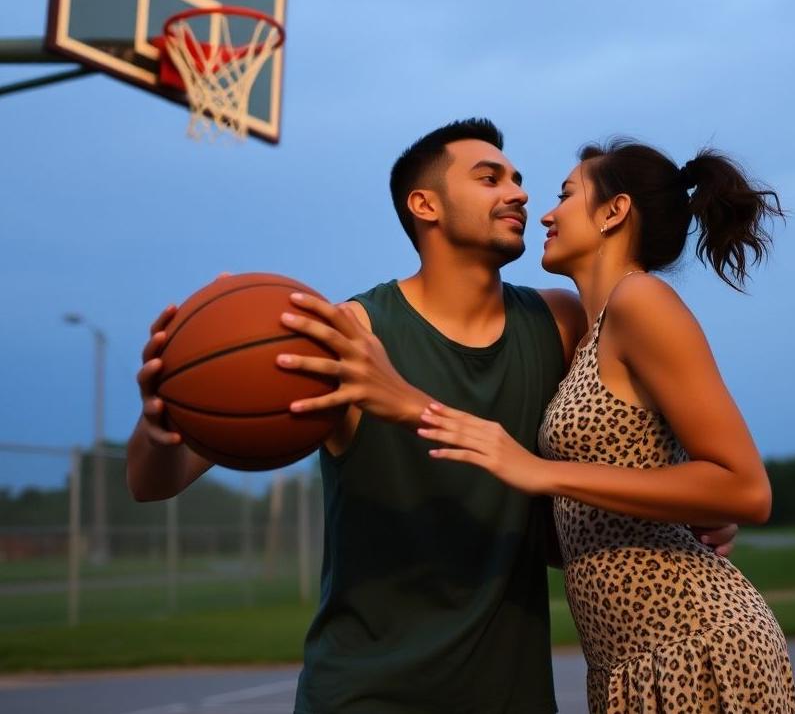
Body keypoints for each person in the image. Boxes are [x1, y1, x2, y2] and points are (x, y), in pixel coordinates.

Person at [127, 119, 736, 714]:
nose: (520, 192)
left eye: (519, 179)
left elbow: (640, 454)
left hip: (512, 695)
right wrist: (159, 426)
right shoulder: (348, 337)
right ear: (426, 205)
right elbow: (158, 481)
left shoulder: (560, 324)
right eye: (489, 177)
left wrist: (685, 512)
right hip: (365, 693)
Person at [416, 139, 795, 713]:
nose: (546, 212)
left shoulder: (641, 301)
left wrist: (543, 472)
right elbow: (601, 518)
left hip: (691, 648)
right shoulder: (590, 335)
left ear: (614, 212)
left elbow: (745, 487)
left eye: (566, 195)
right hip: (626, 665)